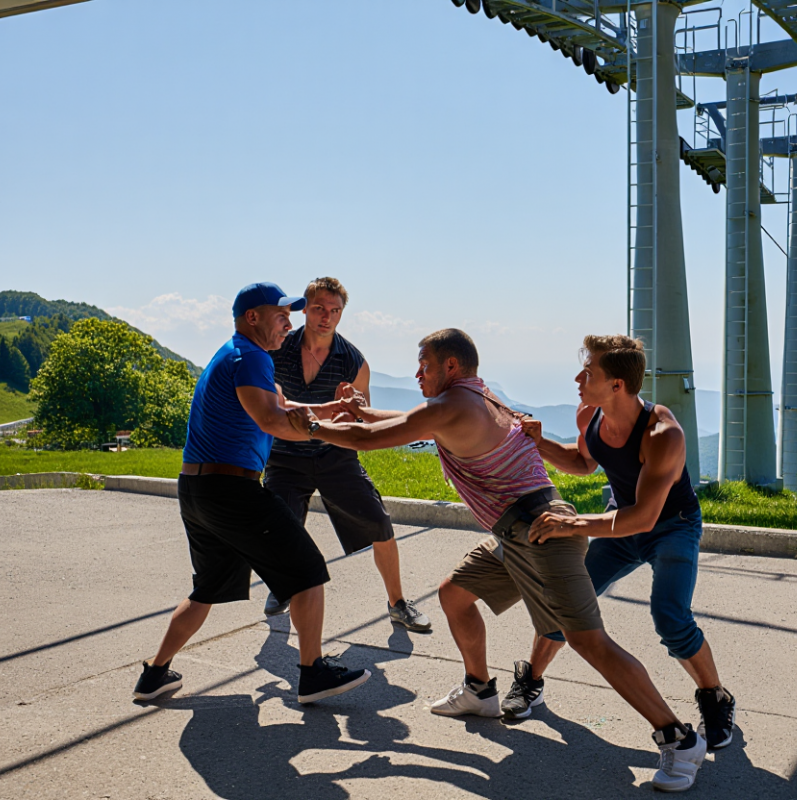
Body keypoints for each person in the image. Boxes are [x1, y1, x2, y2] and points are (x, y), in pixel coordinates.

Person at [287, 329, 708, 792]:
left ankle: (678, 738)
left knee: (589, 642)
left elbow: (371, 439)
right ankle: (480, 691)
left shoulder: (459, 404)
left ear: (450, 367)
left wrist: (304, 422)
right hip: (515, 531)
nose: (416, 373)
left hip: (544, 529)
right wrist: (361, 412)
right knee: (454, 595)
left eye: (423, 364)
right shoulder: (475, 395)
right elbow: (411, 422)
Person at [133, 282, 371, 706]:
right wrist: (338, 433)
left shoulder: (237, 355)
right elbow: (272, 421)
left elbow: (283, 405)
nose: (289, 322)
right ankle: (312, 672)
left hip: (198, 488)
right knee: (308, 570)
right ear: (252, 318)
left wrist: (333, 410)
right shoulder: (251, 356)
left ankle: (154, 675)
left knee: (207, 588)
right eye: (280, 315)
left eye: (290, 314)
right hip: (231, 488)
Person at [507, 334, 736, 750]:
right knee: (567, 601)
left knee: (670, 618)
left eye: (589, 371)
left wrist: (571, 525)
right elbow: (584, 462)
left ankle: (714, 697)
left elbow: (644, 517)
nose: (578, 377)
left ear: (617, 385)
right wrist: (539, 444)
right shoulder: (588, 416)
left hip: (671, 526)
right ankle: (531, 682)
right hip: (619, 522)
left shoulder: (662, 435)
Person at [261, 277, 430, 633]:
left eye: (335, 310)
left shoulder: (353, 361)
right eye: (320, 308)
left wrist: (349, 411)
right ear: (304, 308)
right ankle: (282, 586)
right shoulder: (277, 349)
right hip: (285, 456)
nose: (327, 317)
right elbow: (273, 406)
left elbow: (360, 415)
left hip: (335, 455)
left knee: (379, 522)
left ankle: (398, 603)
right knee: (280, 527)